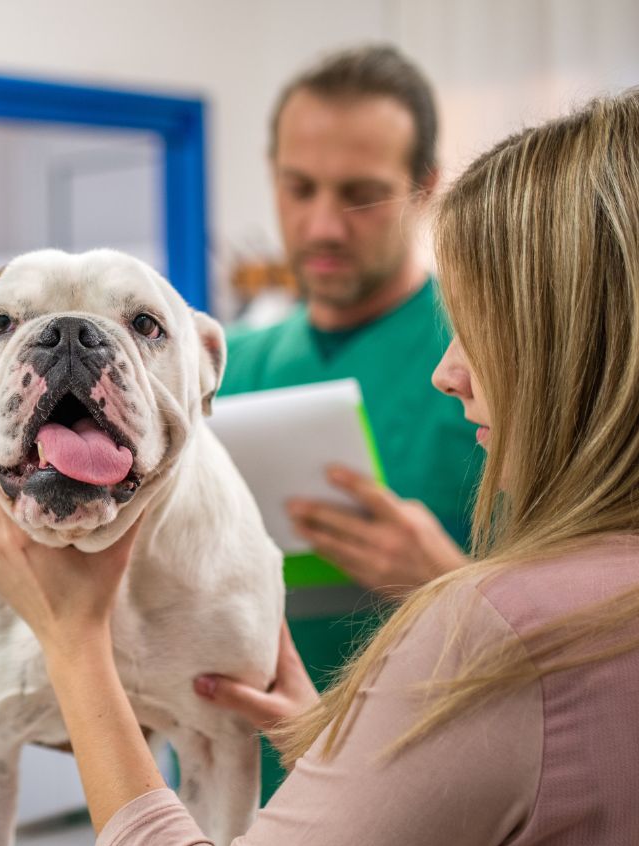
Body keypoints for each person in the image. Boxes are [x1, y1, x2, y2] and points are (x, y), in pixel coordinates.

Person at [0, 90, 639, 846]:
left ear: (586, 351)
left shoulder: (494, 629)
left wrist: (74, 643)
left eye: (486, 327)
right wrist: (325, 731)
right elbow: (521, 801)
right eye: (298, 186)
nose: (450, 374)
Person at [220, 44, 479, 799]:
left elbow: (591, 636)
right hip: (225, 810)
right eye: (299, 188)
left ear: (425, 186)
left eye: (361, 195)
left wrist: (446, 588)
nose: (323, 225)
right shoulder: (219, 367)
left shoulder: (494, 365)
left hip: (426, 813)